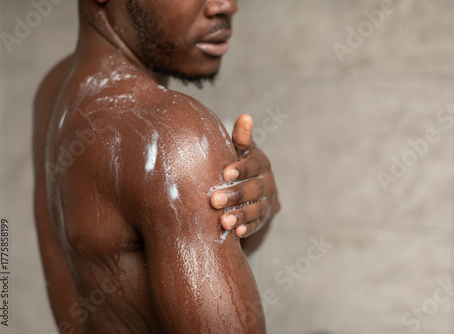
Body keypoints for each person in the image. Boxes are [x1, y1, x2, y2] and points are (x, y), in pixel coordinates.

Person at [32, 0, 280, 332]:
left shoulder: (54, 89)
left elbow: (115, 252)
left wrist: (257, 207)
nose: (227, 5)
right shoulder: (172, 134)